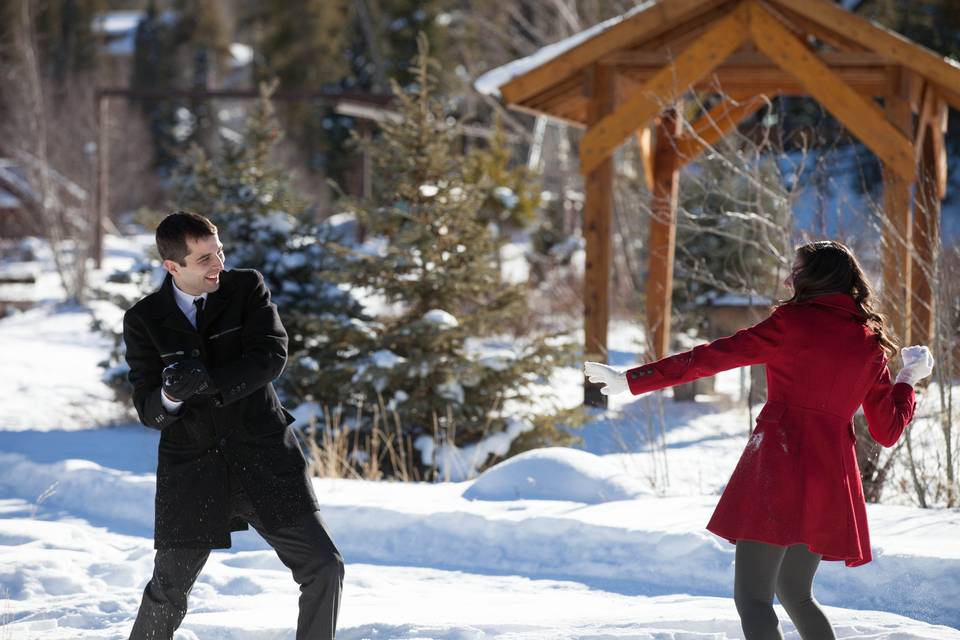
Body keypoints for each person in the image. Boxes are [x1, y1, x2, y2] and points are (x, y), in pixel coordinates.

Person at [584, 240, 934, 640]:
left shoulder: (791, 323)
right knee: (796, 594)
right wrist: (907, 378)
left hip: (778, 466)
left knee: (753, 598)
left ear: (816, 276)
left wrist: (632, 381)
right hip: (831, 476)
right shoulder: (869, 341)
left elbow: (710, 357)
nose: (788, 279)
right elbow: (887, 430)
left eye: (797, 271)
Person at [123, 211, 344, 640]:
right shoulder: (144, 319)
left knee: (324, 566)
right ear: (173, 267)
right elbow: (148, 410)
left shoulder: (246, 288)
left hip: (263, 457)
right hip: (193, 468)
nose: (218, 264)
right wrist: (171, 394)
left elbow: (270, 356)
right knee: (167, 592)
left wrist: (208, 381)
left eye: (219, 251)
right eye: (204, 258)